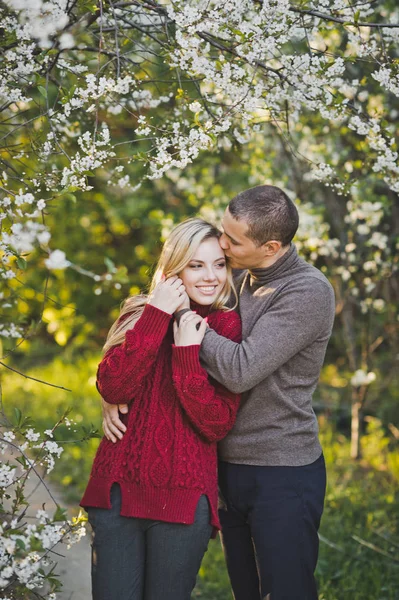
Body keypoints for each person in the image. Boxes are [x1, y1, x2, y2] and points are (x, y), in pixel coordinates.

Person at [103, 185, 336, 600]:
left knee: (284, 592)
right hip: (225, 465)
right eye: (223, 232)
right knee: (246, 591)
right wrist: (115, 393)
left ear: (270, 247)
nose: (222, 246)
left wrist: (181, 316)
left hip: (279, 469)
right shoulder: (238, 277)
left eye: (231, 240)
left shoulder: (307, 292)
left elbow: (240, 369)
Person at [80, 218, 242, 600]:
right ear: (173, 269)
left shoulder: (226, 326)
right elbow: (115, 385)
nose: (210, 277)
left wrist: (187, 354)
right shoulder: (139, 314)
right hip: (117, 491)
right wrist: (156, 314)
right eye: (196, 265)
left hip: (185, 501)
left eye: (219, 265)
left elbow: (216, 424)